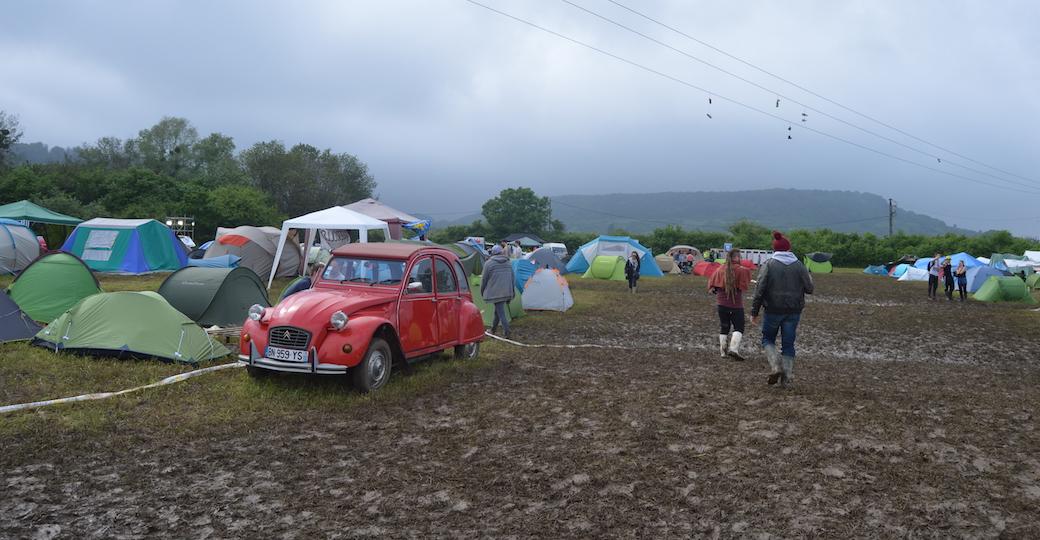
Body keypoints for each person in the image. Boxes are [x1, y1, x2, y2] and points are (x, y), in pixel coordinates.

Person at [751, 231, 814, 388]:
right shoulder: (799, 265)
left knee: (767, 339)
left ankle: (775, 366)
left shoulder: (769, 265)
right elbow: (809, 289)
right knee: (788, 344)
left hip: (772, 309)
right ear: (789, 249)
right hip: (794, 311)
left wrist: (754, 311)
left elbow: (760, 289)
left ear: (774, 249)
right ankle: (786, 380)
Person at [708, 248, 752, 361]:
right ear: (735, 257)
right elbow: (746, 282)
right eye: (739, 256)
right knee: (739, 327)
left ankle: (723, 352)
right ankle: (733, 349)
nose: (740, 258)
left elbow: (712, 285)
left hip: (721, 304)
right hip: (736, 305)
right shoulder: (742, 270)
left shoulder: (719, 269)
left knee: (724, 326)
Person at [481, 245, 516, 338]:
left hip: (495, 292)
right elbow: (512, 278)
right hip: (506, 291)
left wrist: (482, 291)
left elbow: (484, 279)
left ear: (492, 253)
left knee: (500, 312)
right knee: (498, 311)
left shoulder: (488, 264)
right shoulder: (508, 263)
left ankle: (507, 331)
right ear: (501, 252)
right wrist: (512, 292)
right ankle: (493, 329)